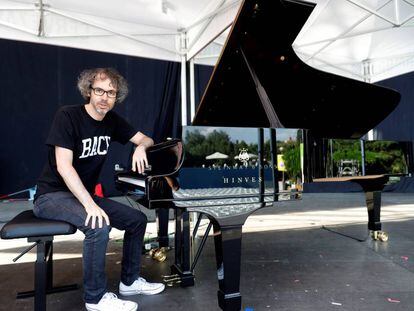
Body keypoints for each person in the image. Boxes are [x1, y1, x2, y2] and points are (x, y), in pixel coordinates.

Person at [33, 68, 165, 311]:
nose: (105, 97)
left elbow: (146, 139)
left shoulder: (112, 121)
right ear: (88, 91)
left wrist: (140, 148)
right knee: (98, 224)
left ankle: (130, 282)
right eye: (99, 90)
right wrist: (89, 203)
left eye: (111, 93)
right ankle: (95, 298)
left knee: (136, 219)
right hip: (52, 196)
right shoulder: (68, 116)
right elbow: (64, 166)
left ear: (117, 97)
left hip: (82, 195)